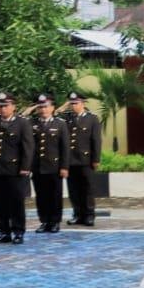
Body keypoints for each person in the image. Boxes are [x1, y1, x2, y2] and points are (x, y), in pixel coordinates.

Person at [0, 93, 33, 244]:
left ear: (13, 106)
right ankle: (4, 232)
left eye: (6, 106)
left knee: (16, 202)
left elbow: (28, 147)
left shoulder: (22, 123)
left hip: (14, 170)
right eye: (0, 106)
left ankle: (18, 232)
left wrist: (25, 167)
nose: (3, 109)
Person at [58, 93, 103, 227]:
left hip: (85, 160)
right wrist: (65, 105)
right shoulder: (67, 118)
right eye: (71, 103)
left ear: (83, 103)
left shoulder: (92, 118)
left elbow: (96, 140)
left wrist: (95, 159)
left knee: (87, 189)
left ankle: (89, 215)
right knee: (73, 190)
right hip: (70, 160)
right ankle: (77, 214)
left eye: (76, 103)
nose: (73, 106)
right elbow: (55, 114)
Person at [29, 95, 70, 234]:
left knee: (55, 196)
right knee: (41, 196)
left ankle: (55, 221)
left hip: (54, 167)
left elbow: (65, 148)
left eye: (46, 106)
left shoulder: (60, 124)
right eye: (40, 107)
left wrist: (64, 167)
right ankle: (44, 221)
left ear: (52, 108)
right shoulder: (32, 123)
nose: (43, 110)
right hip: (38, 167)